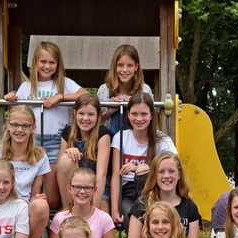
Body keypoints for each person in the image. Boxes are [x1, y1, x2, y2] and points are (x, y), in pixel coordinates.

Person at [5, 41, 88, 209]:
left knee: (53, 199)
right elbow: (16, 113)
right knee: (29, 187)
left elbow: (86, 95)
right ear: (35, 62)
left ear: (58, 64)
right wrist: (11, 99)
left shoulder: (64, 83)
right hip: (30, 140)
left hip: (56, 141)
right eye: (43, 61)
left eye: (52, 62)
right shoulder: (26, 86)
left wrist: (60, 97)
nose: (47, 66)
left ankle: (56, 218)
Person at [0, 105, 51, 238]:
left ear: (33, 128)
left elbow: (35, 192)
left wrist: (37, 198)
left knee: (40, 206)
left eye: (25, 126)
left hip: (22, 206)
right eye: (15, 125)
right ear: (8, 126)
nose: (19, 130)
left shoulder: (40, 157)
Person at [109, 93, 177, 228]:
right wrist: (114, 210)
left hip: (154, 190)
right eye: (134, 114)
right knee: (131, 218)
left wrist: (138, 168)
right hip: (127, 192)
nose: (139, 118)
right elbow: (116, 176)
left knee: (153, 218)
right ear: (128, 115)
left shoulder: (163, 140)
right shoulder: (121, 137)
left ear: (151, 115)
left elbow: (174, 168)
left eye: (144, 114)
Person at [56, 94, 112, 209]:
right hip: (74, 188)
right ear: (75, 113)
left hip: (96, 186)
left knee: (103, 214)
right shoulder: (68, 133)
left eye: (91, 114)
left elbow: (101, 175)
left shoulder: (103, 134)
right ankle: (69, 209)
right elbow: (59, 169)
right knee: (66, 159)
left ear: (98, 115)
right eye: (81, 113)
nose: (85, 118)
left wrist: (93, 209)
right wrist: (68, 152)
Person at [97, 44, 154, 136]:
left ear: (136, 67)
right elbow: (96, 123)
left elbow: (152, 121)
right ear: (115, 66)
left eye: (130, 65)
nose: (124, 70)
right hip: (109, 141)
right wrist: (108, 111)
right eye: (120, 65)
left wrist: (136, 106)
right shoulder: (104, 90)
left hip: (137, 140)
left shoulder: (144, 90)